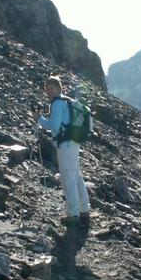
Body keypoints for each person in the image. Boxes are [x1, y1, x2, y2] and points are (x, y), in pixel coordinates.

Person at [33, 75, 90, 226]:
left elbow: (55, 126)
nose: (49, 92)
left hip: (65, 144)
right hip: (73, 142)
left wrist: (39, 119)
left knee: (67, 178)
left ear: (59, 89)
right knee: (76, 176)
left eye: (52, 88)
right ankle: (84, 211)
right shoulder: (67, 101)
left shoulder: (57, 103)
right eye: (47, 89)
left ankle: (73, 215)